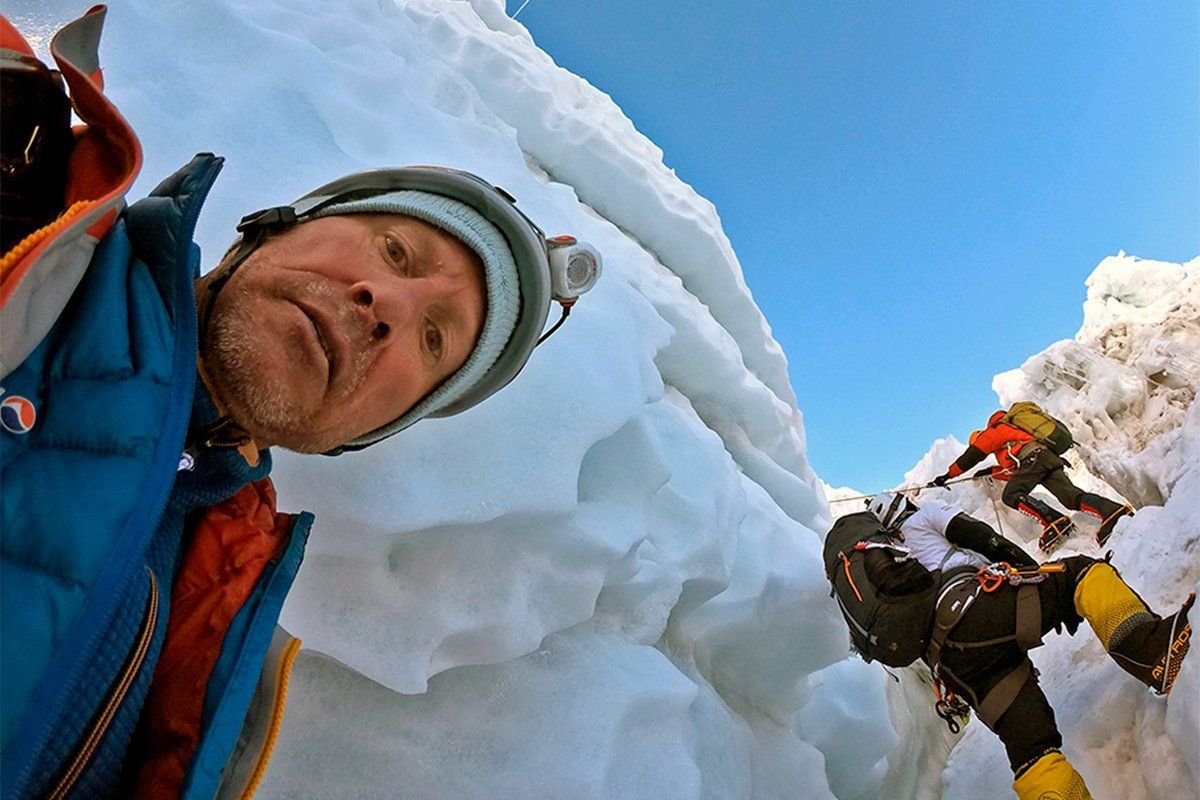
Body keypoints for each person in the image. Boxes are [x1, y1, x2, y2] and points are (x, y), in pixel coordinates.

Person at [0, 9, 598, 799]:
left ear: (378, 427)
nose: (383, 302)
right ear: (270, 230)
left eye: (433, 341)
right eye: (395, 249)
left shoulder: (216, 621)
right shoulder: (30, 194)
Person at [866, 492, 1193, 800]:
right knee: (1080, 573)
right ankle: (1151, 652)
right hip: (977, 608)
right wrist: (1031, 571)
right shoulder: (928, 515)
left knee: (1031, 748)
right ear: (905, 503)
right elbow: (982, 537)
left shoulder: (890, 567)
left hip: (954, 664)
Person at [932, 408, 1133, 549]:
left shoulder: (992, 432)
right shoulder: (1011, 439)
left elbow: (972, 456)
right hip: (1045, 458)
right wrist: (991, 470)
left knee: (1011, 495)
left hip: (1033, 460)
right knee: (1071, 497)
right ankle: (1112, 511)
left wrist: (947, 475)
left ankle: (1054, 521)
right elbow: (1016, 472)